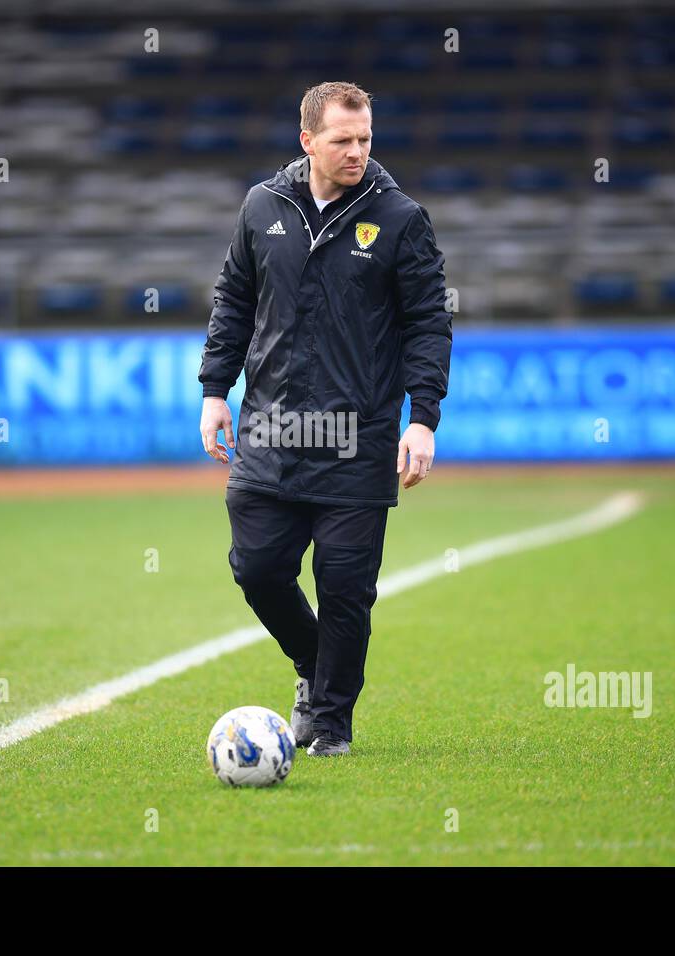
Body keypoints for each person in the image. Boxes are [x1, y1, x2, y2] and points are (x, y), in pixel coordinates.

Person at [198, 81, 452, 756]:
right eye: (343, 139)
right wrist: (214, 389)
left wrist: (421, 418)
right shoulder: (261, 207)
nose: (357, 151)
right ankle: (315, 668)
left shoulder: (400, 219)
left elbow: (430, 323)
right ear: (308, 139)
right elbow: (232, 299)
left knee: (345, 591)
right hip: (270, 432)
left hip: (359, 438)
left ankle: (330, 723)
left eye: (365, 138)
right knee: (257, 569)